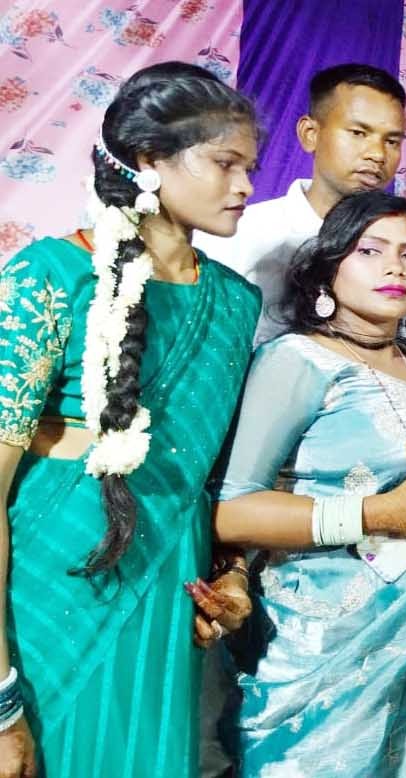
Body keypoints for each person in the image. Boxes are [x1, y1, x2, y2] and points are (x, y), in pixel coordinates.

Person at [0, 62, 262, 778]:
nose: (246, 185)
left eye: (249, 167)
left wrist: (232, 575)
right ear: (149, 159)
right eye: (225, 163)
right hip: (48, 586)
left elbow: (218, 474)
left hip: (165, 581)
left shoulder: (236, 303)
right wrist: (0, 699)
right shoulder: (50, 276)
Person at [212, 191, 406, 776]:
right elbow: (233, 508)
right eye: (369, 251)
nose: (394, 268)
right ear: (328, 268)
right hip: (332, 649)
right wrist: (379, 514)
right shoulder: (295, 361)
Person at [196, 63, 406, 351]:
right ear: (310, 133)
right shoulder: (237, 235)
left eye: (391, 141)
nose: (377, 154)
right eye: (358, 133)